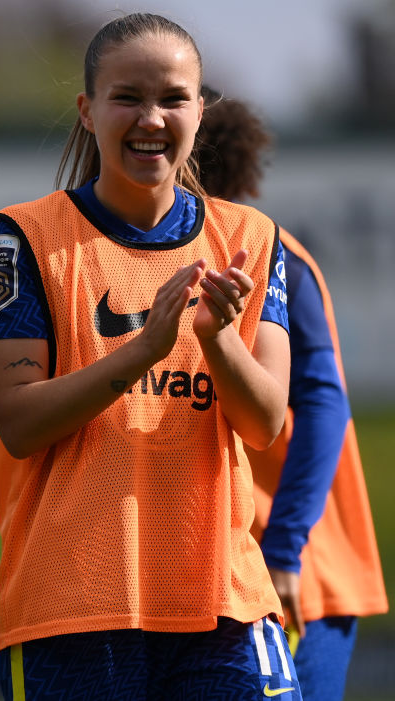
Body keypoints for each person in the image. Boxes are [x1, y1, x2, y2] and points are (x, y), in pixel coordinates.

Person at [0, 13, 298, 699]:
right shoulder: (22, 237)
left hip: (225, 605)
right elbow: (21, 422)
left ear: (199, 111)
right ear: (88, 111)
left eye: (173, 98)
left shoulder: (252, 237)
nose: (151, 117)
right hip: (74, 611)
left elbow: (266, 423)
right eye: (128, 97)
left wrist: (216, 340)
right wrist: (145, 348)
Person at [195, 90, 388, 701]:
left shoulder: (276, 259)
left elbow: (325, 406)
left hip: (297, 567)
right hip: (227, 571)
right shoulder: (160, 265)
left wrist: (284, 550)